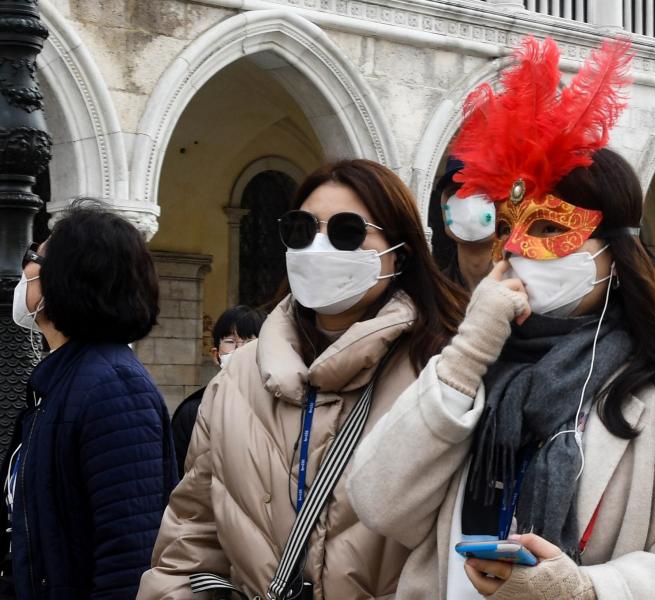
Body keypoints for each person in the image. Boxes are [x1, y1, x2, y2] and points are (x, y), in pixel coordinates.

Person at [348, 37, 655, 599]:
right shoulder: (470, 374)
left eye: (546, 230)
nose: (517, 250)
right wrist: (469, 350)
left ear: (614, 254)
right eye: (507, 228)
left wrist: (585, 592)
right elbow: (378, 502)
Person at [138, 159, 467, 599]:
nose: (318, 247)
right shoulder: (237, 379)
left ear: (399, 253)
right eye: (301, 228)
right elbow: (189, 540)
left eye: (346, 231)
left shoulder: (441, 375)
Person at [0, 206, 177, 599]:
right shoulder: (63, 379)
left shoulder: (113, 387)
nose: (25, 269)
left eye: (34, 258)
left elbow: (128, 555)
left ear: (66, 278)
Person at [170, 305, 266, 477]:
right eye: (230, 342)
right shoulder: (192, 412)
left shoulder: (281, 406)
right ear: (215, 355)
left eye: (250, 342)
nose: (240, 350)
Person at [430, 157, 495, 292]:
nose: (469, 204)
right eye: (456, 190)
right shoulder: (433, 294)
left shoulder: (531, 291)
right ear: (443, 207)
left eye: (482, 188)